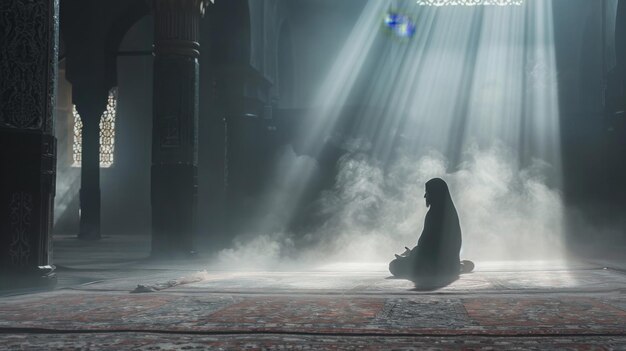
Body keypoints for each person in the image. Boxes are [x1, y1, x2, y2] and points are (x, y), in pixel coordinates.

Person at [389, 178, 473, 283]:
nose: (425, 196)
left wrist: (411, 255)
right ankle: (459, 266)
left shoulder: (434, 214)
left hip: (433, 266)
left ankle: (457, 267)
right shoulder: (450, 212)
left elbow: (428, 248)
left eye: (427, 192)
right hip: (450, 264)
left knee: (394, 265)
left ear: (434, 194)